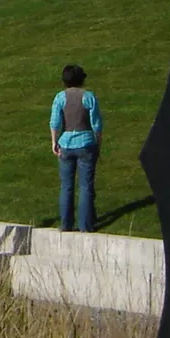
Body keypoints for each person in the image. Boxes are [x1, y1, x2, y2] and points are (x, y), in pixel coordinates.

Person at [50, 64, 102, 231]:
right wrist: (98, 143)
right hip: (86, 143)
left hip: (65, 143)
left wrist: (54, 141)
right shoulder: (89, 96)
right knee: (86, 185)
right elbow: (96, 124)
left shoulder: (60, 97)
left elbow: (55, 122)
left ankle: (66, 224)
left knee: (66, 186)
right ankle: (85, 225)